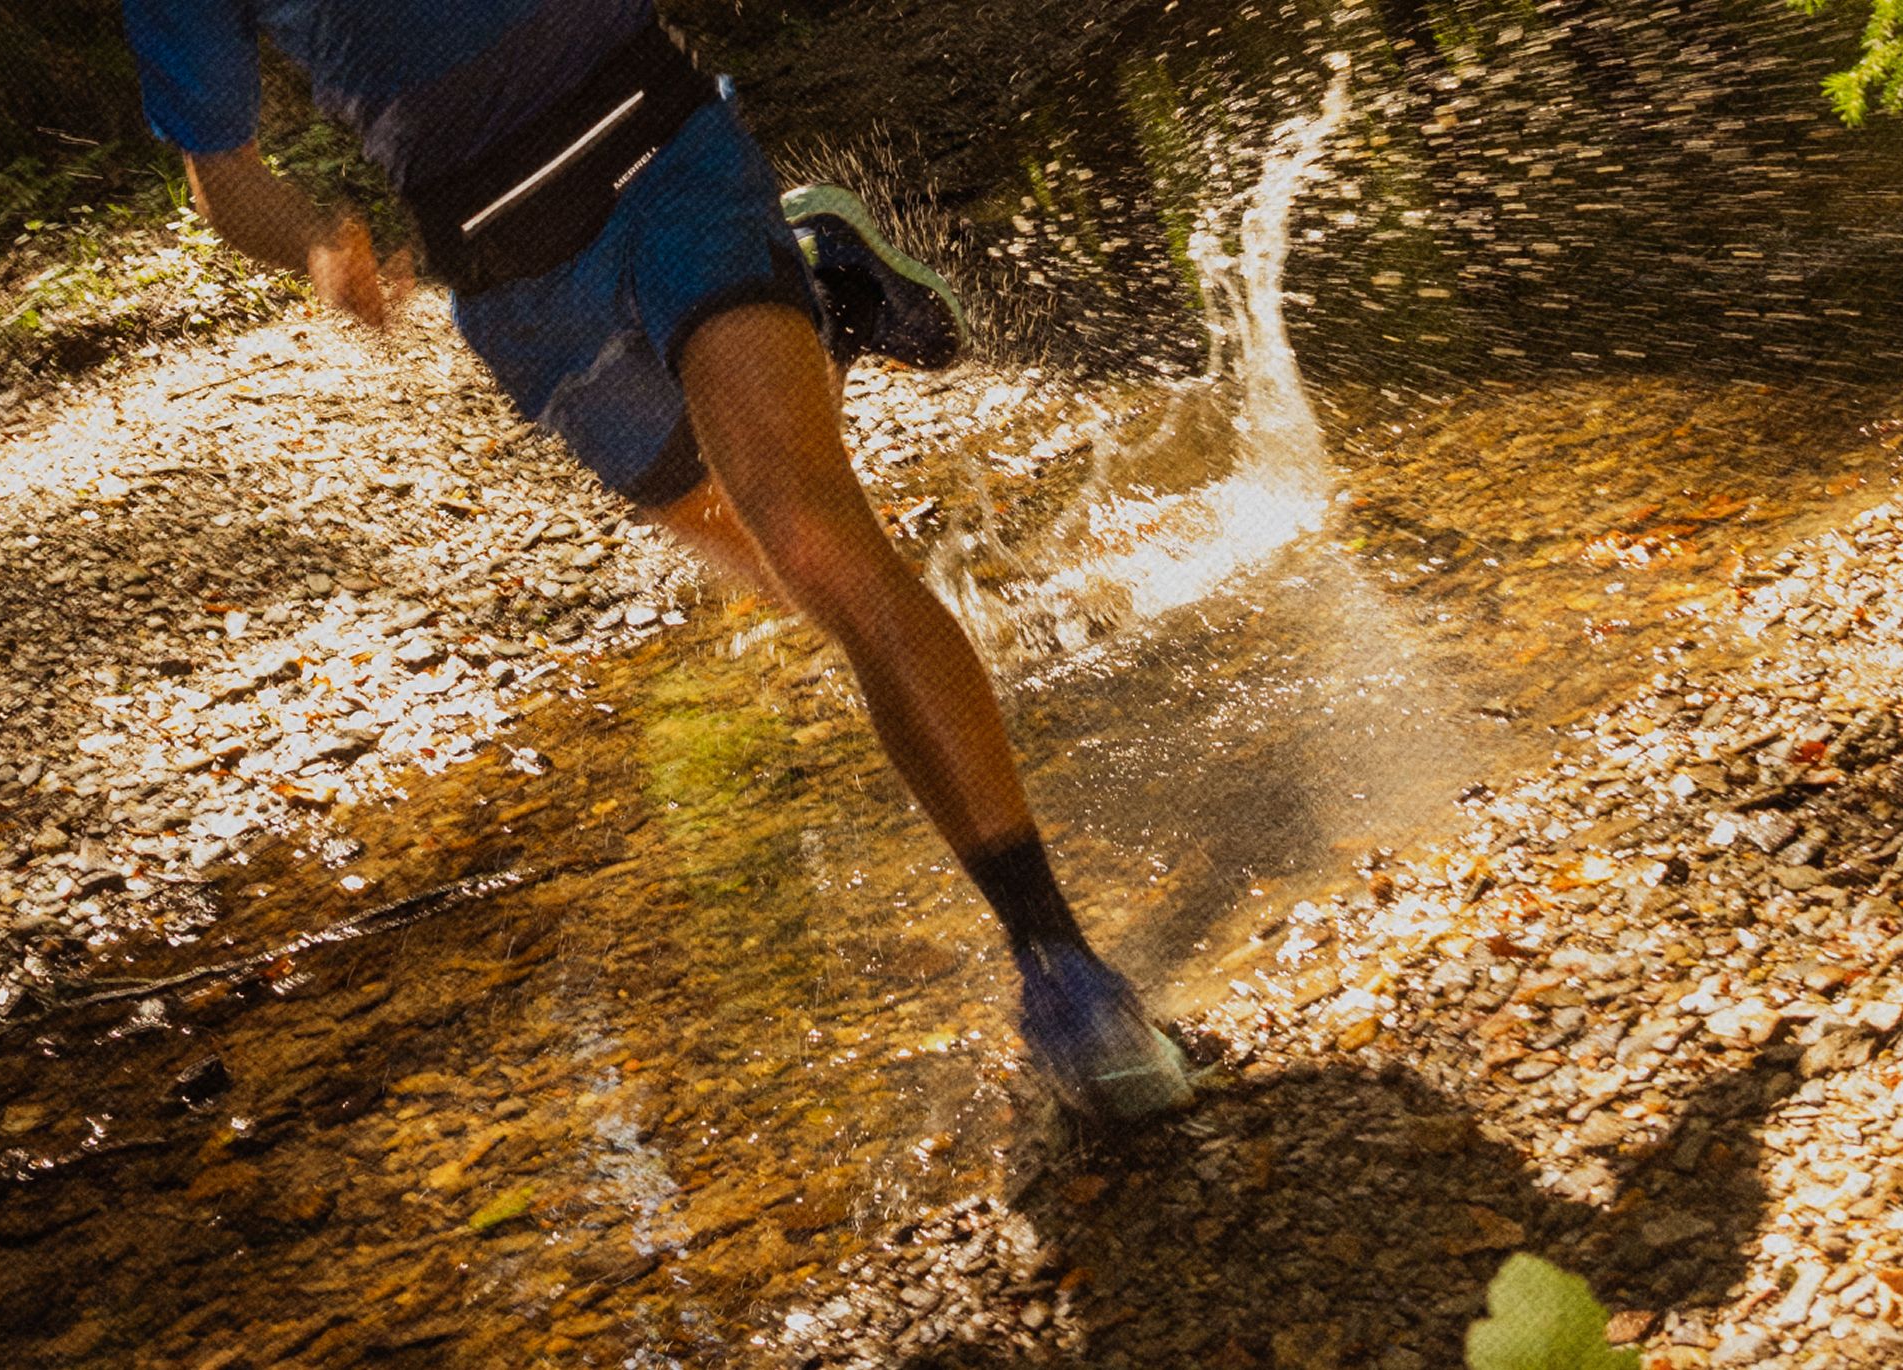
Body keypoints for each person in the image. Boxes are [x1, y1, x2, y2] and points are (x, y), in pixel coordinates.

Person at [123, 0, 1190, 1118]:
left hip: (662, 151)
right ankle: (819, 283)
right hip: (514, 281)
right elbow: (222, 173)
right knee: (766, 553)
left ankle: (1060, 964)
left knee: (813, 538)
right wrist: (313, 242)